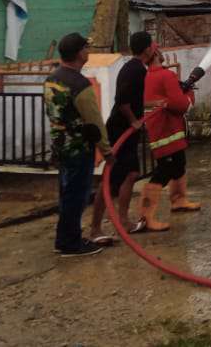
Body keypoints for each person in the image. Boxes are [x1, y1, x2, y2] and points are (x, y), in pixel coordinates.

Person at [43, 32, 115, 257]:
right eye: (86, 48)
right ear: (77, 54)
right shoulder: (79, 84)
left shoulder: (53, 79)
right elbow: (94, 121)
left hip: (60, 145)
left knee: (67, 194)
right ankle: (71, 244)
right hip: (78, 148)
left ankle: (64, 239)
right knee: (77, 195)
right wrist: (107, 150)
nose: (88, 51)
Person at [88, 31, 156, 240]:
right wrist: (134, 120)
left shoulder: (138, 68)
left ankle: (124, 221)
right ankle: (95, 228)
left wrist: (152, 106)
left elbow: (134, 99)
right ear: (147, 49)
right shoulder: (134, 70)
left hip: (129, 132)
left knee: (132, 174)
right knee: (109, 181)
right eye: (153, 45)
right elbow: (123, 101)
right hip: (119, 131)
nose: (155, 47)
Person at [140, 50, 201, 231]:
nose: (161, 53)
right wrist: (188, 92)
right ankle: (145, 217)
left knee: (179, 164)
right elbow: (181, 105)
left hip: (163, 129)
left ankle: (179, 200)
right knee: (164, 171)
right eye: (158, 50)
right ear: (155, 54)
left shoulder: (148, 76)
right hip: (167, 130)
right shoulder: (166, 75)